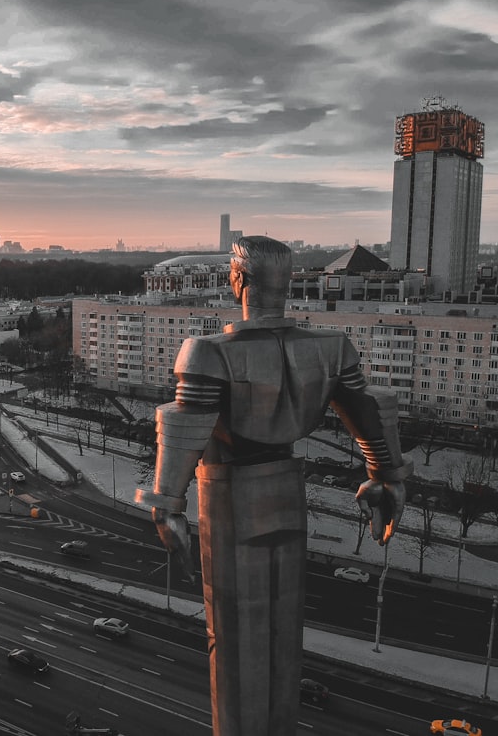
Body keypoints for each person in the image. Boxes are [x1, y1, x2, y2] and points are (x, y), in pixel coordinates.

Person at [136, 235, 409, 736]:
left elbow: (185, 421)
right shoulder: (330, 348)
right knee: (284, 637)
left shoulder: (208, 352)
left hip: (230, 495)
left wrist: (167, 504)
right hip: (287, 489)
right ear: (287, 283)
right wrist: (386, 477)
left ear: (238, 279)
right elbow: (370, 408)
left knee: (236, 641)